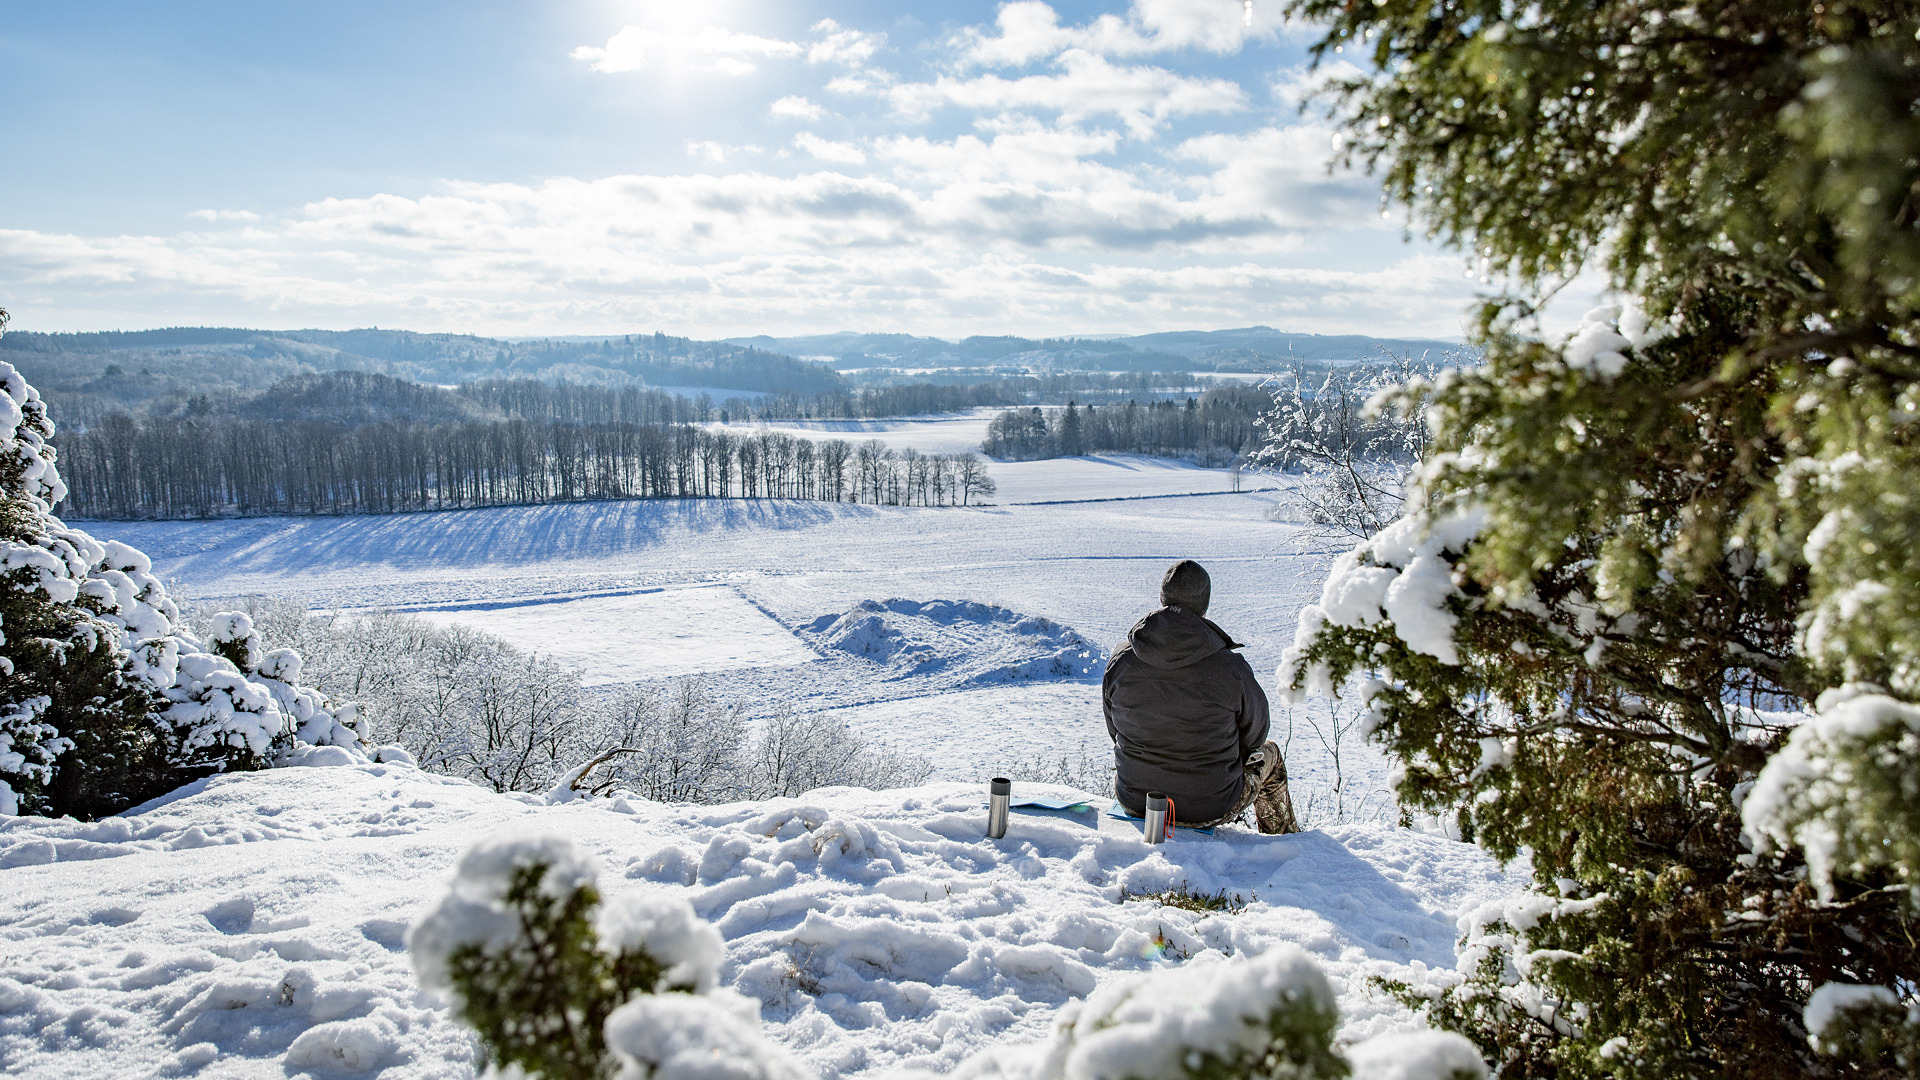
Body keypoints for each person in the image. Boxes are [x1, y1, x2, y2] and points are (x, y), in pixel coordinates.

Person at [1103, 560, 1298, 834]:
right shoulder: (1231, 668)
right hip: (1211, 806)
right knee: (1271, 755)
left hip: (1137, 800)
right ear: (1204, 605)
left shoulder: (1121, 659)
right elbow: (1255, 737)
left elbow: (1115, 729)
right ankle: (1284, 844)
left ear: (1163, 597)